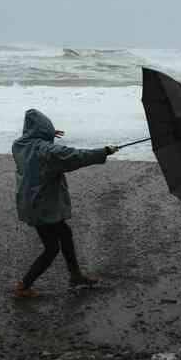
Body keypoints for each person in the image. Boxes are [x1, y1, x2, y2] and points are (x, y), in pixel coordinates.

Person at [12, 109, 118, 298]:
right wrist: (104, 151)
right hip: (42, 205)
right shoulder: (46, 151)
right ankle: (24, 286)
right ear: (43, 131)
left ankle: (75, 275)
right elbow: (74, 156)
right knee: (52, 248)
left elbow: (40, 148)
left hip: (31, 203)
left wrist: (48, 135)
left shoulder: (20, 146)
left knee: (65, 232)